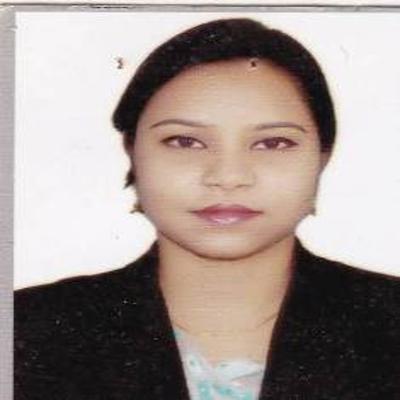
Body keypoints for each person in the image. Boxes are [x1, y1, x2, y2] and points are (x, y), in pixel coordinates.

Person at [14, 18, 400, 400]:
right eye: (185, 142)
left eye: (273, 143)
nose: (228, 177)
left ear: (322, 157)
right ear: (132, 152)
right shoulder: (25, 328)